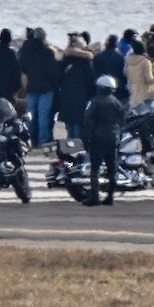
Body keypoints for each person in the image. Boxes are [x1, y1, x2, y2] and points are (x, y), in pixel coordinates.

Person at [82, 75, 124, 206]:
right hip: (113, 137)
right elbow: (122, 120)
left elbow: (87, 121)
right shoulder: (117, 103)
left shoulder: (95, 102)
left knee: (95, 168)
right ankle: (110, 196)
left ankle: (95, 196)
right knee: (112, 168)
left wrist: (86, 138)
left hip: (98, 137)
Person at [17, 28, 58, 147]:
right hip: (46, 88)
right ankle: (42, 141)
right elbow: (54, 72)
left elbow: (21, 66)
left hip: (31, 86)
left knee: (30, 115)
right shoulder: (48, 52)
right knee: (43, 116)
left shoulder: (27, 51)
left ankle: (29, 140)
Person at [56, 36, 95, 140]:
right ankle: (78, 147)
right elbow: (91, 80)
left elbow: (58, 77)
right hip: (81, 96)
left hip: (66, 94)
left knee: (68, 124)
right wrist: (90, 95)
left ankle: (70, 147)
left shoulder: (65, 60)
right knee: (78, 123)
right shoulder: (86, 62)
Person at [0, 28, 22, 102]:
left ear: (0, 39)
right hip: (9, 89)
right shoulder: (12, 55)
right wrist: (16, 87)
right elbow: (17, 72)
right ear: (9, 40)